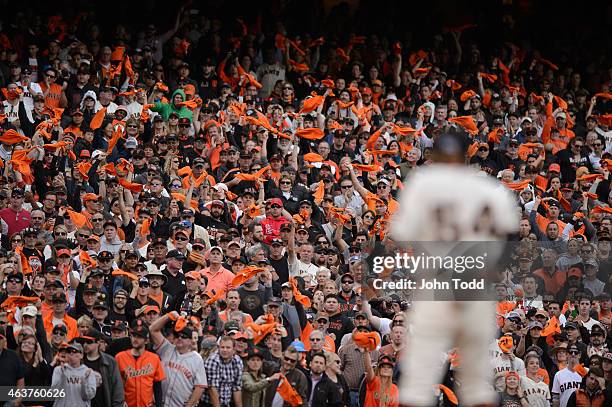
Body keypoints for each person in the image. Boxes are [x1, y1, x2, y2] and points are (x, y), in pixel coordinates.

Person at [395, 134, 519, 407]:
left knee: (417, 383)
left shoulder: (423, 184)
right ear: (467, 158)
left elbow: (402, 234)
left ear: (434, 158)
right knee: (477, 383)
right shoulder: (488, 189)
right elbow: (512, 234)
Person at [149, 311, 207, 407]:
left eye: (184, 337)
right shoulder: (167, 348)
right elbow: (152, 329)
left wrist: (189, 405)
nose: (180, 338)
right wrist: (169, 316)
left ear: (190, 341)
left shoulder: (197, 359)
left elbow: (200, 387)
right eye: (177, 336)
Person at [115, 320, 165, 407]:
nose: (135, 339)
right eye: (134, 335)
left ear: (146, 341)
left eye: (139, 336)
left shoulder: (154, 358)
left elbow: (157, 387)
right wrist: (120, 401)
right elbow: (115, 385)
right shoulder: (120, 357)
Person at [51, 342, 97, 407]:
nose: (71, 353)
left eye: (74, 351)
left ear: (81, 355)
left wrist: (84, 382)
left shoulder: (88, 372)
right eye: (69, 351)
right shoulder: (59, 370)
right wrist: (63, 376)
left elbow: (88, 396)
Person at [202, 335, 244, 407]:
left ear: (234, 349)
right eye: (222, 347)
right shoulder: (213, 360)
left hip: (225, 403)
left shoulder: (237, 361)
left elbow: (237, 388)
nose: (225, 350)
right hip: (208, 403)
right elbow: (212, 388)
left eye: (228, 347)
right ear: (218, 348)